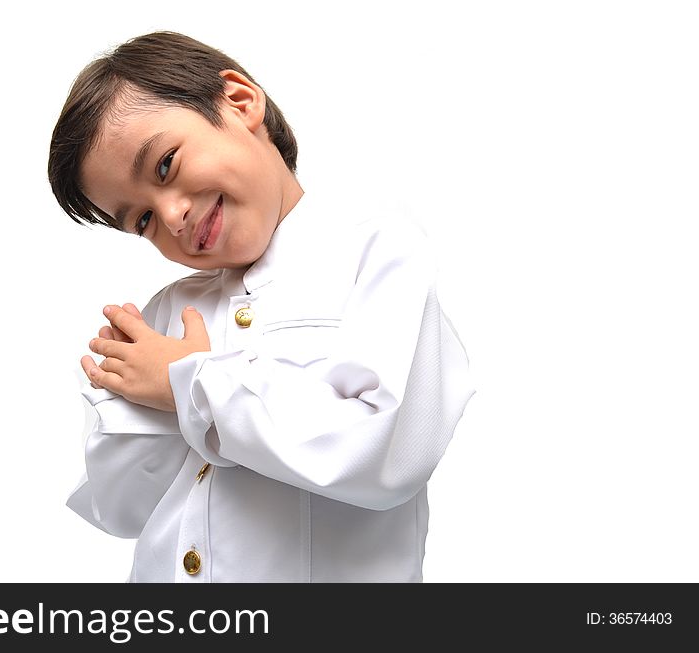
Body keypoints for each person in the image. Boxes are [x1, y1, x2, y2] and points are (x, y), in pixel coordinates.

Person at [48, 31, 475, 582]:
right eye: (143, 221)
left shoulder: (376, 252)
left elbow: (385, 453)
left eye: (164, 167)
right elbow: (122, 508)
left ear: (240, 102)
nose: (171, 215)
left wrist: (191, 385)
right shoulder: (169, 312)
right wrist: (127, 399)